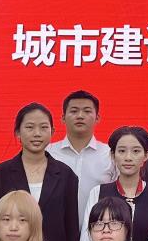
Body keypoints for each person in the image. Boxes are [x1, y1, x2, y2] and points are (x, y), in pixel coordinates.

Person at [0, 103, 80, 241]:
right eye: (30, 127)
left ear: (53, 132)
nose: (37, 133)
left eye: (43, 127)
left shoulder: (66, 176)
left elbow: (71, 229)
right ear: (18, 132)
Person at [78, 126, 148, 241]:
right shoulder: (98, 193)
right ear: (113, 155)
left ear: (146, 155)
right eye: (121, 151)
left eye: (136, 151)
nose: (128, 157)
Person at [47, 90, 114, 223]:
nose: (80, 116)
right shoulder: (48, 153)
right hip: (55, 229)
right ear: (63, 118)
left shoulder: (109, 154)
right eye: (74, 111)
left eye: (87, 111)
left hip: (98, 229)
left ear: (97, 118)